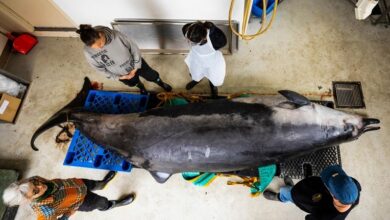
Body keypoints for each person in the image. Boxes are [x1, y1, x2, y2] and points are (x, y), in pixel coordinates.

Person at [77, 24, 172, 95]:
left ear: (100, 35)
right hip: (121, 74)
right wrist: (118, 77)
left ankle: (160, 83)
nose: (99, 48)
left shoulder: (117, 36)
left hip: (136, 64)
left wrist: (136, 67)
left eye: (100, 44)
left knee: (152, 75)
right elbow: (99, 69)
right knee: (133, 82)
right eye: (95, 48)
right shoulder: (88, 52)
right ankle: (141, 88)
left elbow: (134, 49)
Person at [2, 171, 135, 220]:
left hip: (75, 183)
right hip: (82, 201)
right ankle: (112, 205)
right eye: (36, 191)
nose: (41, 186)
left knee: (93, 184)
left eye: (35, 183)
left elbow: (45, 182)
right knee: (102, 201)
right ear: (29, 199)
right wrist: (67, 215)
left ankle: (102, 184)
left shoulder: (33, 178)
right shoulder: (44, 211)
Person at [263, 165, 361, 220]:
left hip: (302, 198)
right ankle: (292, 187)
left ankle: (280, 197)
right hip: (312, 188)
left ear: (334, 197)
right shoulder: (354, 188)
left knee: (286, 191)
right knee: (298, 187)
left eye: (328, 183)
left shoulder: (326, 218)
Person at [182, 21, 227, 98]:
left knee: (213, 75)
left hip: (212, 61)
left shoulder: (217, 40)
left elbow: (223, 42)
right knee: (195, 72)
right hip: (197, 57)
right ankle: (197, 80)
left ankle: (213, 85)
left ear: (204, 38)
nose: (188, 42)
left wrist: (213, 28)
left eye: (192, 42)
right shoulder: (187, 29)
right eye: (188, 39)